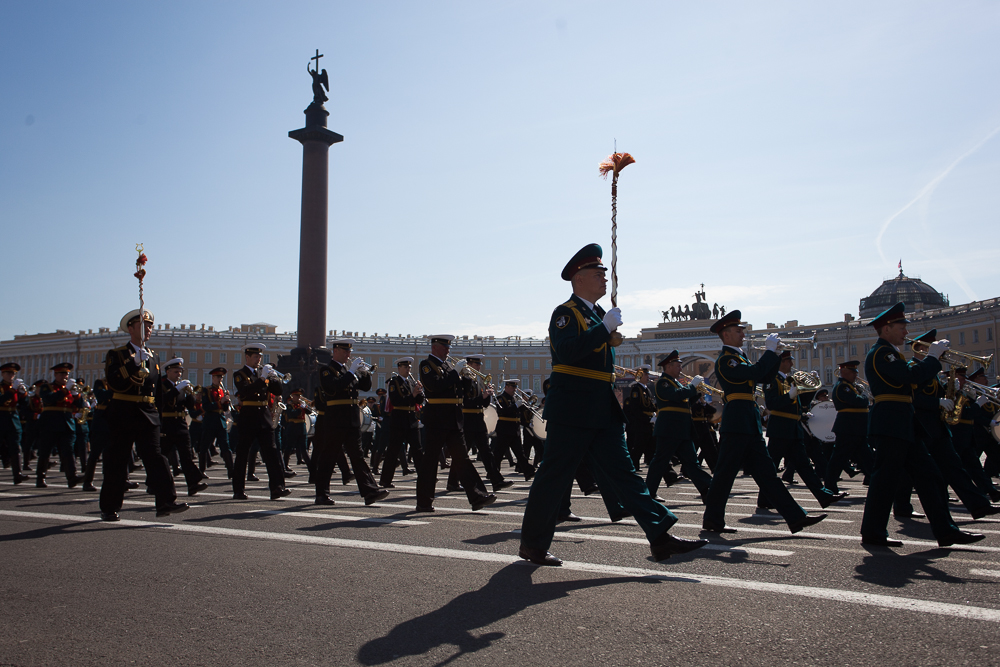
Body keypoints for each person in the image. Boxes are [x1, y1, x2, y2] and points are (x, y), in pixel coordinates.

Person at [518, 243, 707, 565]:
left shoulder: (593, 314)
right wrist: (603, 329)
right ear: (578, 278)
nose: (605, 279)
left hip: (601, 407)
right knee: (555, 476)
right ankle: (533, 544)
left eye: (605, 273)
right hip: (574, 407)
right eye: (598, 273)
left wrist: (603, 327)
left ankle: (660, 537)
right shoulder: (567, 313)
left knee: (625, 474)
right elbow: (567, 353)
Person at [859, 301, 983, 548]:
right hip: (891, 422)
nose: (906, 332)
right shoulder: (882, 353)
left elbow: (911, 381)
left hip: (903, 421)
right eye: (901, 326)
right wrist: (934, 358)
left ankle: (945, 530)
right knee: (885, 480)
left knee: (929, 476)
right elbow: (910, 377)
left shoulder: (891, 353)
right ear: (886, 328)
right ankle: (873, 533)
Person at [701, 310, 826, 534]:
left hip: (749, 421)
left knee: (767, 474)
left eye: (742, 330)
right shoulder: (726, 360)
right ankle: (712, 520)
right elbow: (755, 372)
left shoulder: (740, 357)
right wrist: (769, 353)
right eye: (738, 331)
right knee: (724, 475)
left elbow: (765, 376)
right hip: (737, 421)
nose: (743, 334)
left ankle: (796, 517)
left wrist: (775, 356)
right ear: (726, 335)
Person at [100, 309, 188, 520]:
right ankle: (110, 506)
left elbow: (156, 392)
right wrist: (132, 363)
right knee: (118, 460)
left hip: (148, 414)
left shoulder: (153, 357)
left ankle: (166, 501)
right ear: (131, 329)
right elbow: (113, 382)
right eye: (143, 325)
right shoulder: (118, 355)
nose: (148, 329)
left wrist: (160, 418)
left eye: (150, 325)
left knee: (156, 458)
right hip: (124, 412)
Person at [415, 336, 496, 512]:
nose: (448, 350)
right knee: (430, 462)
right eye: (445, 347)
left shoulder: (447, 366)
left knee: (462, 459)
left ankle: (477, 496)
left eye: (448, 347)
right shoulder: (427, 365)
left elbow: (461, 390)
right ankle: (423, 502)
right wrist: (455, 372)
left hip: (453, 418)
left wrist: (467, 378)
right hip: (437, 418)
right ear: (435, 347)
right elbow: (435, 386)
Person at [760, 351, 846, 509]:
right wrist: (790, 396)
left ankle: (823, 495)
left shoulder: (789, 379)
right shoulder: (772, 380)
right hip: (780, 428)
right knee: (771, 467)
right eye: (788, 361)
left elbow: (802, 402)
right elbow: (772, 404)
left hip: (793, 427)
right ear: (780, 362)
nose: (792, 364)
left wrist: (812, 388)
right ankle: (763, 499)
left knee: (805, 466)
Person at [313, 339, 388, 506]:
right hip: (335, 419)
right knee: (328, 457)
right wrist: (351, 371)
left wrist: (365, 373)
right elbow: (334, 387)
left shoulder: (349, 370)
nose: (349, 354)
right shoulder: (327, 370)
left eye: (349, 351)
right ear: (336, 351)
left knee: (358, 456)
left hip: (352, 419)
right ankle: (321, 494)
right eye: (345, 351)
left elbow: (365, 386)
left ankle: (370, 491)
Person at [646, 351, 713, 501]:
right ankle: (648, 492)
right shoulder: (663, 382)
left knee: (691, 462)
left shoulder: (675, 382)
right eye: (677, 366)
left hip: (681, 428)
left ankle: (707, 489)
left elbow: (684, 402)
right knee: (660, 461)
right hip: (669, 428)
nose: (680, 369)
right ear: (668, 366)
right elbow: (676, 396)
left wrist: (696, 393)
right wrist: (692, 386)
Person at [231, 343, 290, 501]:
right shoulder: (240, 374)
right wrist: (263, 378)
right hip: (248, 416)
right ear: (247, 357)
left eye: (260, 357)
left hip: (264, 417)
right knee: (243, 454)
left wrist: (274, 378)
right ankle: (238, 490)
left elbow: (277, 391)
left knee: (272, 453)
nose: (259, 360)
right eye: (256, 357)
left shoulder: (262, 373)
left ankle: (277, 487)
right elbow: (245, 392)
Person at [452, 354, 512, 493]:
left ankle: (496, 480)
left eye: (479, 365)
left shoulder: (478, 380)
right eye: (476, 365)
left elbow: (483, 404)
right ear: (469, 365)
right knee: (462, 453)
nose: (479, 367)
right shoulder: (463, 381)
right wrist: (482, 396)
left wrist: (487, 394)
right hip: (467, 419)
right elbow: (465, 402)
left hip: (478, 420)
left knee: (486, 452)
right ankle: (452, 481)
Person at [157, 358, 208, 497]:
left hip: (180, 423)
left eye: (180, 372)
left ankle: (192, 484)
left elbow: (190, 406)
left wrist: (191, 394)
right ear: (168, 372)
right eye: (175, 372)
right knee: (161, 457)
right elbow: (161, 401)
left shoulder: (181, 386)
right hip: (167, 424)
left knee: (187, 456)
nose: (178, 374)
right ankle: (152, 483)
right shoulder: (161, 385)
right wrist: (176, 390)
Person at [825, 360, 875, 494]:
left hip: (857, 428)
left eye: (855, 372)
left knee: (867, 457)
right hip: (848, 427)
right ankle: (830, 485)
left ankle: (876, 483)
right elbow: (856, 401)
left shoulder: (851, 386)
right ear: (844, 372)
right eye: (852, 372)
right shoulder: (842, 387)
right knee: (839, 458)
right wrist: (864, 397)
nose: (855, 374)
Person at [36, 363, 85, 488]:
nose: (65, 376)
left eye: (66, 374)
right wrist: (65, 390)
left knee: (68, 452)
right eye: (62, 373)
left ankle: (72, 477)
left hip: (67, 424)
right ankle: (40, 477)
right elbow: (49, 399)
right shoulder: (47, 387)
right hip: (50, 424)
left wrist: (76, 395)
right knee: (45, 452)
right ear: (55, 374)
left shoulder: (68, 388)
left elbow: (80, 405)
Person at [380, 357, 421, 486]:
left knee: (418, 450)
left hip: (411, 419)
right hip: (399, 419)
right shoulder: (394, 383)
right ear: (399, 368)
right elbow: (397, 401)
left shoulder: (410, 382)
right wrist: (413, 395)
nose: (408, 370)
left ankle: (424, 477)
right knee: (393, 451)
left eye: (409, 367)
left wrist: (419, 391)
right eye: (405, 367)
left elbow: (418, 401)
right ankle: (385, 480)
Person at [494, 380, 534, 480]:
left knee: (520, 453)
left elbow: (520, 413)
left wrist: (525, 405)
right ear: (506, 387)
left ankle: (528, 472)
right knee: (498, 454)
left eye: (515, 388)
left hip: (515, 429)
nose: (514, 390)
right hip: (504, 429)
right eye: (512, 387)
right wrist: (516, 405)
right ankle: (493, 473)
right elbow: (503, 411)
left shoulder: (515, 398)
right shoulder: (500, 398)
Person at [201, 368, 235, 476]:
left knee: (225, 446)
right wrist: (220, 402)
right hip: (210, 420)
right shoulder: (206, 390)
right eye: (218, 377)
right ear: (213, 377)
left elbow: (224, 409)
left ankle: (231, 470)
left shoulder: (222, 390)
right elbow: (206, 407)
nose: (220, 379)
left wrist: (226, 402)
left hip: (220, 421)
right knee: (204, 446)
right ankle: (201, 470)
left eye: (221, 377)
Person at [0, 362, 30, 484]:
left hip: (13, 419)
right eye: (8, 373)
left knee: (16, 448)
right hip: (1, 419)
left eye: (13, 373)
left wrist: (23, 395)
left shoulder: (16, 388)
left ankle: (17, 475)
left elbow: (25, 405)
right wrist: (12, 391)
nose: (11, 375)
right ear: (2, 374)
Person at [623, 366, 656, 470]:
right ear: (640, 377)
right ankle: (632, 466)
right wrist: (647, 419)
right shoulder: (637, 389)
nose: (648, 376)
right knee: (639, 447)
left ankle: (660, 470)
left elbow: (650, 405)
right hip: (641, 424)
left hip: (648, 423)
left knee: (651, 447)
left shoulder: (647, 389)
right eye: (646, 375)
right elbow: (635, 409)